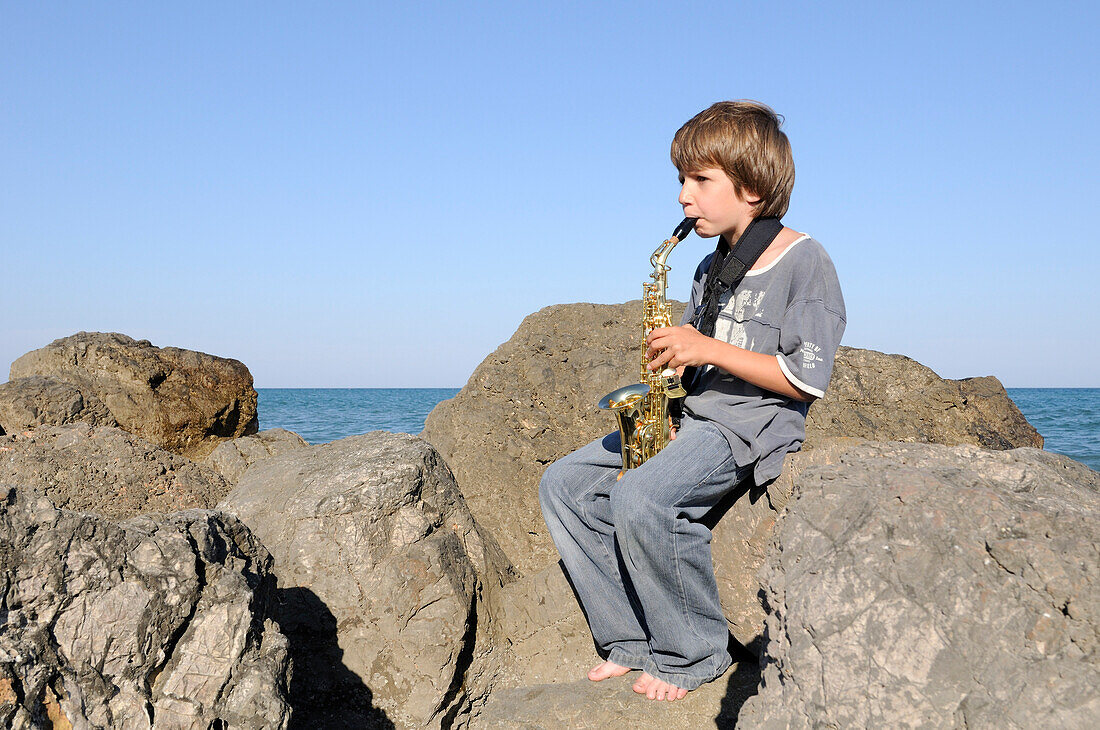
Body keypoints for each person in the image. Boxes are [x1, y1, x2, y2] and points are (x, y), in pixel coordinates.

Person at [538, 100, 846, 701]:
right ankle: (628, 641)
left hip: (748, 427)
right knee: (564, 483)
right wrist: (670, 399)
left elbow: (806, 378)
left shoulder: (805, 259)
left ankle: (694, 651)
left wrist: (704, 346)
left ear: (753, 188)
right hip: (695, 414)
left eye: (700, 180)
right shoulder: (709, 265)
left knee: (642, 496)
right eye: (682, 180)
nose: (683, 196)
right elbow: (695, 357)